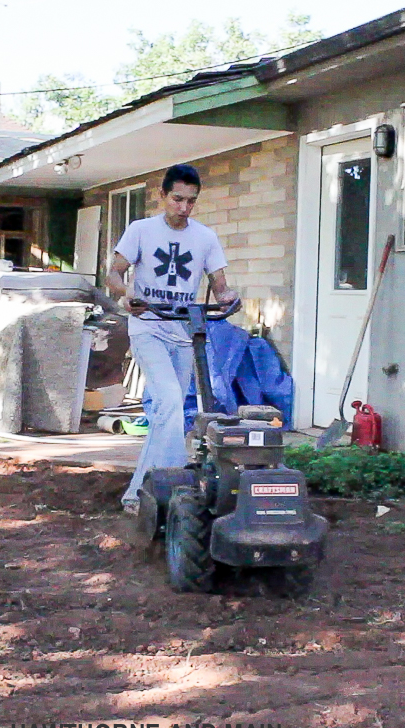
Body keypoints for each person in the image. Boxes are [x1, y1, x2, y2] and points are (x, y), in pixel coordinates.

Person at [106, 164, 238, 513]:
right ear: (162, 196)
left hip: (183, 331)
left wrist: (228, 298)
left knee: (170, 412)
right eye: (177, 199)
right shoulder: (141, 230)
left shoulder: (205, 237)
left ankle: (148, 489)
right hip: (148, 324)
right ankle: (155, 488)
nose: (183, 208)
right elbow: (114, 274)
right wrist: (127, 295)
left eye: (191, 202)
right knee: (168, 401)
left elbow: (220, 284)